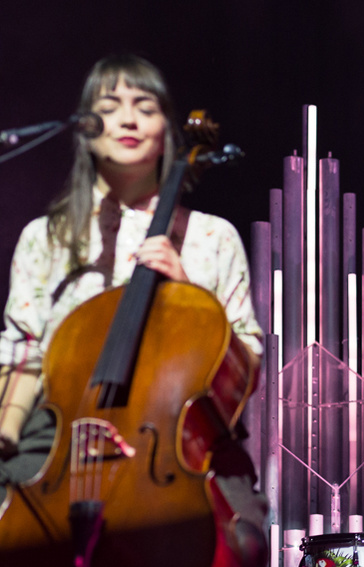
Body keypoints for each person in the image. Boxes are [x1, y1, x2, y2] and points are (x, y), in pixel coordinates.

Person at [0, 54, 267, 566]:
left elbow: (246, 365)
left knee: (241, 545)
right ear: (85, 130)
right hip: (61, 445)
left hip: (180, 446)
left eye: (144, 106)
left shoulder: (212, 237)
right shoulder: (45, 238)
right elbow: (22, 354)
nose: (127, 119)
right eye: (110, 106)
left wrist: (190, 296)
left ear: (167, 129)